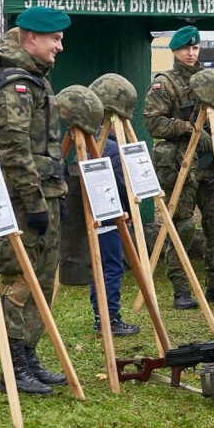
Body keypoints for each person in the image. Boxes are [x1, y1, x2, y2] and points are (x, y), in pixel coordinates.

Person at [0, 5, 71, 395]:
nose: (60, 46)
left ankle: (28, 353)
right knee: (19, 280)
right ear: (31, 38)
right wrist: (34, 201)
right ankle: (13, 362)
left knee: (42, 280)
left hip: (44, 192)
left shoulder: (37, 79)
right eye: (54, 39)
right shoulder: (15, 84)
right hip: (23, 197)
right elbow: (15, 148)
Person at [144, 26, 214, 309]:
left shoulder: (212, 80)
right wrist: (190, 128)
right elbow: (153, 122)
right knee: (182, 225)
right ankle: (181, 289)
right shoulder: (165, 83)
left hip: (211, 163)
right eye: (186, 49)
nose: (191, 53)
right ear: (174, 51)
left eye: (195, 48)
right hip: (180, 163)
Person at [90, 131, 140, 336]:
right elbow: (121, 183)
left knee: (99, 268)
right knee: (111, 268)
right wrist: (127, 208)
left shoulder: (84, 147)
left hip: (93, 217)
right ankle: (110, 317)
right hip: (109, 218)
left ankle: (101, 316)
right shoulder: (110, 149)